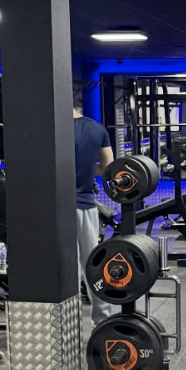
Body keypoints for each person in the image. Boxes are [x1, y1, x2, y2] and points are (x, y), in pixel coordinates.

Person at [74, 89, 115, 327]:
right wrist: (90, 170)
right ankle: (102, 319)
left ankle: (67, 321)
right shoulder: (97, 129)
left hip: (57, 208)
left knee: (65, 266)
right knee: (92, 263)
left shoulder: (51, 128)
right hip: (86, 206)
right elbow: (108, 167)